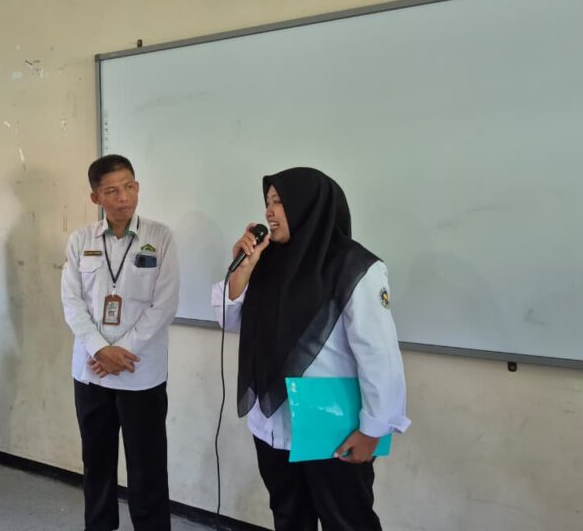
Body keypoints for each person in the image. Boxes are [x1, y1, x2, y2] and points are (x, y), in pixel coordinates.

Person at [212, 167, 410, 531]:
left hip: (332, 426)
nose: (269, 212)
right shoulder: (266, 261)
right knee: (289, 517)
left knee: (348, 521)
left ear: (307, 206)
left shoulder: (354, 266)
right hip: (272, 424)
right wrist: (243, 267)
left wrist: (373, 428)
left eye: (279, 202)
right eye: (267, 202)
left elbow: (378, 354)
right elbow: (228, 319)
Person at [61, 154, 180, 531]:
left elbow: (164, 305)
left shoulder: (160, 237)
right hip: (91, 371)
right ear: (95, 197)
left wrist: (121, 351)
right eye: (111, 190)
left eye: (129, 186)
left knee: (147, 466)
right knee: (96, 462)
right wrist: (100, 349)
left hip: (140, 372)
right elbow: (71, 302)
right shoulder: (80, 240)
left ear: (138, 187)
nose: (123, 197)